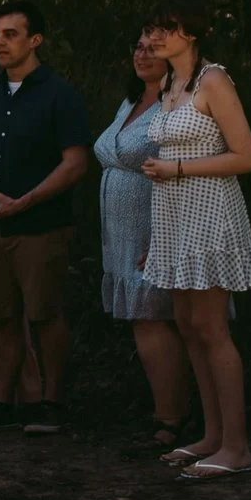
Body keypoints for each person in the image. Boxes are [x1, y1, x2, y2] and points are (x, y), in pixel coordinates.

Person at [0, 1, 91, 439]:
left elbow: (75, 164)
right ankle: (1, 404)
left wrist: (26, 201)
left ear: (35, 40)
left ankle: (53, 402)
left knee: (45, 314)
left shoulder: (60, 93)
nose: (0, 42)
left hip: (42, 227)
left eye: (10, 34)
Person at [140, 0, 251, 479]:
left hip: (209, 211)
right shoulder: (169, 84)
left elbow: (246, 156)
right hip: (172, 217)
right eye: (152, 30)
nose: (154, 38)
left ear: (189, 34)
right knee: (188, 326)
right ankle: (212, 436)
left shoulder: (213, 80)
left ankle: (237, 447)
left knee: (212, 329)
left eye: (165, 29)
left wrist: (178, 168)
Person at [95, 30, 197, 448]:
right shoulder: (132, 100)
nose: (141, 53)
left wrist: (163, 236)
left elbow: (184, 167)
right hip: (121, 233)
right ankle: (170, 411)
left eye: (152, 47)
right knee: (147, 320)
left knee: (155, 318)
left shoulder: (178, 103)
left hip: (157, 227)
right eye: (136, 46)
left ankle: (173, 420)